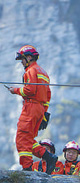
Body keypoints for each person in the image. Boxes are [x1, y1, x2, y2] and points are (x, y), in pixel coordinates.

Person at [9, 45, 57, 173]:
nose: (21, 62)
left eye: (22, 59)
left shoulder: (31, 70)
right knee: (28, 139)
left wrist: (15, 90)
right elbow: (48, 95)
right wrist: (44, 113)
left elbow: (30, 90)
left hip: (31, 107)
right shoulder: (43, 73)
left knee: (22, 138)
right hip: (39, 109)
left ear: (29, 57)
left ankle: (27, 168)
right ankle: (48, 157)